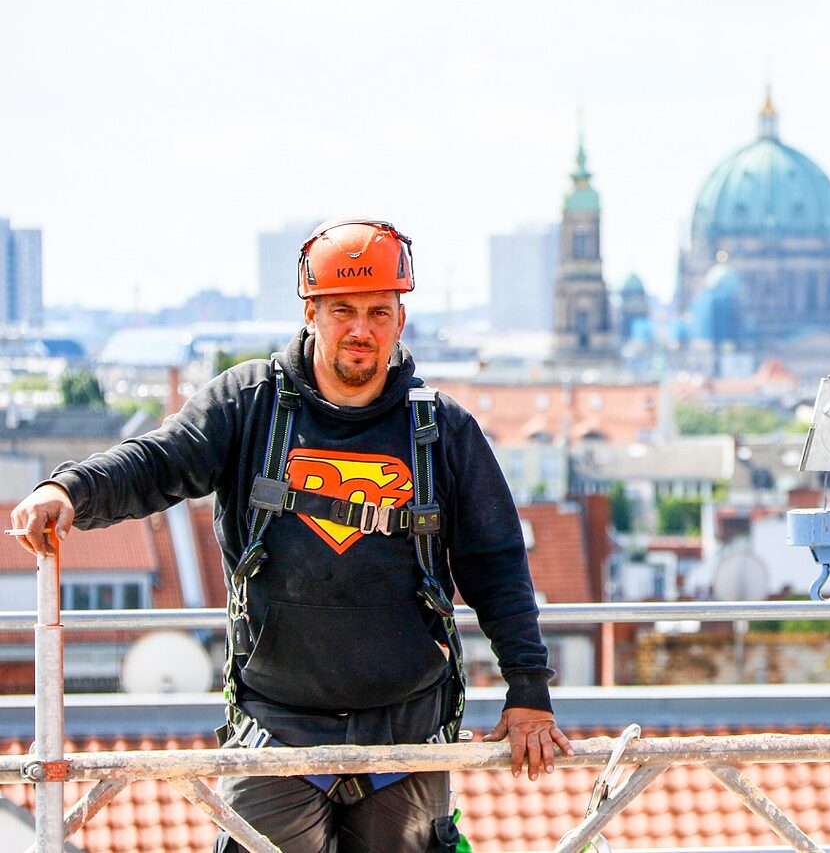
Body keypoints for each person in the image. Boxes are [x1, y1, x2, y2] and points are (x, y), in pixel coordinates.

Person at [10, 218, 573, 853]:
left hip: (407, 733)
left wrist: (528, 691)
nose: (361, 330)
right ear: (311, 312)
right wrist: (70, 491)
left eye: (377, 312)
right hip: (278, 732)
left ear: (400, 320)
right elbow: (159, 461)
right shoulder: (250, 405)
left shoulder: (441, 430)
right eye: (342, 311)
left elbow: (497, 564)